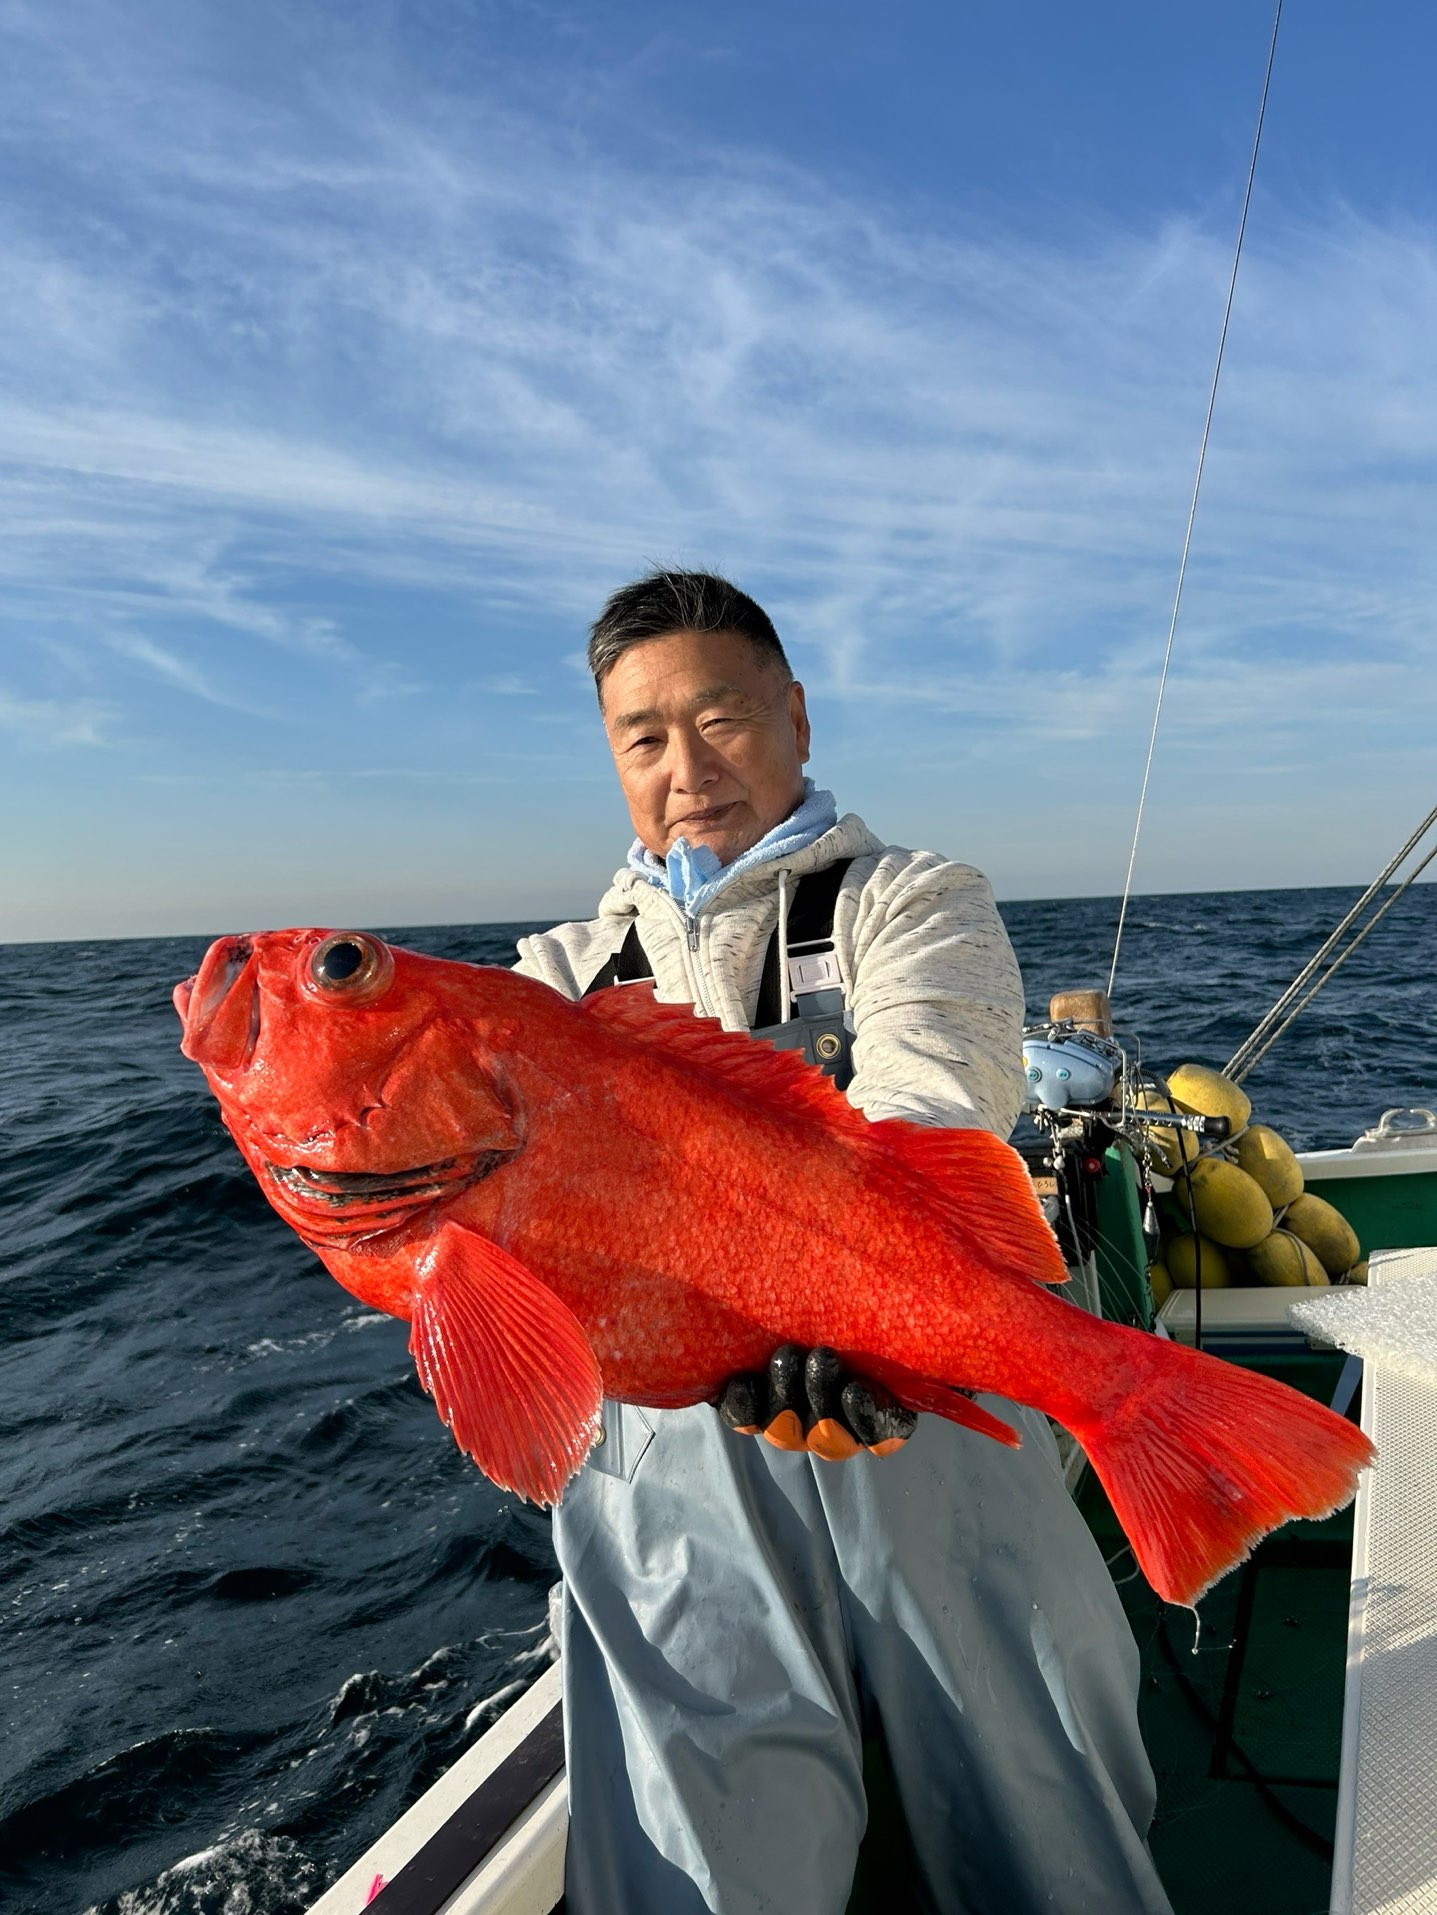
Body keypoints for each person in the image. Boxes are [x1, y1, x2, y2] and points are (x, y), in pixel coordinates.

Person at [512, 571, 1172, 1915]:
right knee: (702, 1838)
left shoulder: (906, 898)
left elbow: (932, 1084)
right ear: (611, 762)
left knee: (1042, 1797)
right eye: (642, 738)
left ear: (796, 719)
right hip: (669, 1464)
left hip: (914, 1401)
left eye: (722, 719)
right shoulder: (550, 981)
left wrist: (844, 1305)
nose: (686, 768)